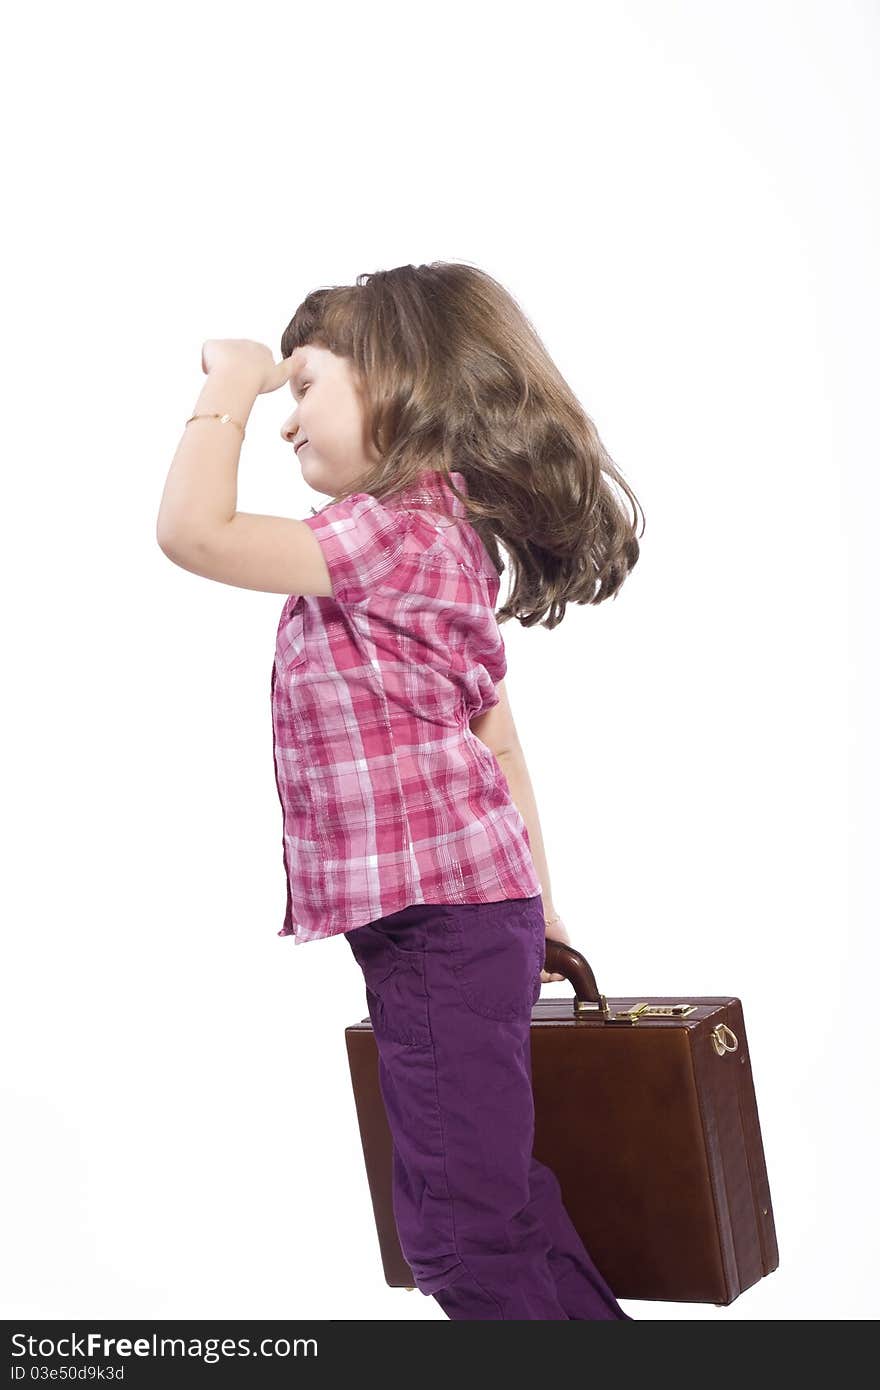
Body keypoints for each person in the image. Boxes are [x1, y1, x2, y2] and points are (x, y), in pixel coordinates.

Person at [156, 260, 644, 1320]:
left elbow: (192, 533)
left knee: (463, 1239)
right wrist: (543, 903)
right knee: (494, 1208)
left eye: (305, 386)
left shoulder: (393, 530)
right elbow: (496, 743)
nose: (285, 422)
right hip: (466, 918)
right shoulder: (436, 533)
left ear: (398, 381)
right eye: (279, 395)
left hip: (439, 923)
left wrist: (231, 382)